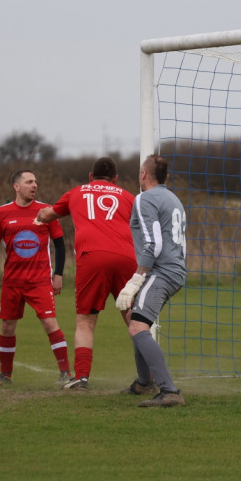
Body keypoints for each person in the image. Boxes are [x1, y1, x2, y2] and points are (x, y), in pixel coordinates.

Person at [34, 156, 136, 390]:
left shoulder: (77, 192)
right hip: (126, 257)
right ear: (116, 179)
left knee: (86, 321)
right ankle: (151, 375)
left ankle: (81, 377)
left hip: (93, 257)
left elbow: (49, 215)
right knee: (134, 317)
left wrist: (40, 215)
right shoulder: (128, 197)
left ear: (91, 176)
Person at [0, 169, 71, 384]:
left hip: (40, 280)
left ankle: (65, 373)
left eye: (35, 182)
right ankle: (6, 374)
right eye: (29, 182)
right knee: (7, 327)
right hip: (12, 282)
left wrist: (58, 274)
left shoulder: (46, 211)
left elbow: (60, 246)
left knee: (50, 323)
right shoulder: (1, 213)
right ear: (16, 186)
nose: (34, 185)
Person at [115, 155, 187, 407]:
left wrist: (137, 278)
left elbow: (153, 243)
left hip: (162, 270)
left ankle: (170, 392)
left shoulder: (145, 198)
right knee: (136, 319)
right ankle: (145, 383)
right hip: (175, 268)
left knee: (137, 326)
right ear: (165, 176)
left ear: (143, 173)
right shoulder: (174, 199)